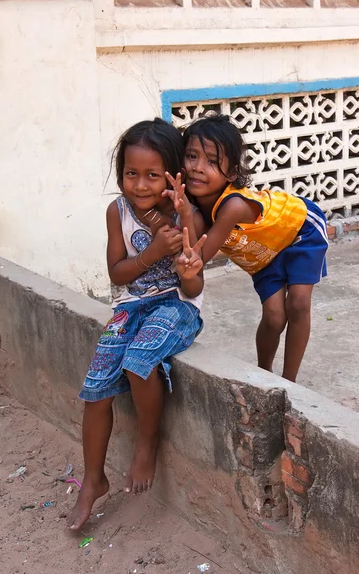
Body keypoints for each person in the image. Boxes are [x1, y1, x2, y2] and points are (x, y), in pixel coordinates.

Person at [67, 118, 206, 532]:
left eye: (151, 175)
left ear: (171, 175)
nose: (140, 186)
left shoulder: (186, 213)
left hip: (177, 306)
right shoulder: (118, 211)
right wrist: (152, 253)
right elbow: (117, 272)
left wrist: (182, 256)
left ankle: (146, 445)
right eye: (131, 174)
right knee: (95, 387)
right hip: (130, 305)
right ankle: (93, 480)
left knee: (138, 359)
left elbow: (195, 285)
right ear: (120, 173)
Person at [167, 114, 328, 384]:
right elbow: (193, 254)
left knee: (298, 303)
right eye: (192, 156)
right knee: (274, 317)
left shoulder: (232, 206)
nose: (197, 167)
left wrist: (183, 223)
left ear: (231, 173)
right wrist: (183, 213)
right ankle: (265, 376)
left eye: (212, 161)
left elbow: (198, 259)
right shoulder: (193, 206)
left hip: (298, 229)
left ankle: (290, 384)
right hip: (263, 255)